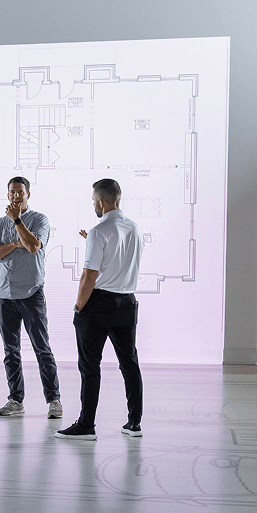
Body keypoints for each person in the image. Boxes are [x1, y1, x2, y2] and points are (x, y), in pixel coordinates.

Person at [56, 178, 144, 440]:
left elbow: (89, 276)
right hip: (127, 302)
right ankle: (134, 423)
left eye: (94, 200)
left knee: (90, 366)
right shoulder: (135, 229)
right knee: (129, 364)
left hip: (99, 304)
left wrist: (78, 307)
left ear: (101, 201)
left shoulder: (99, 230)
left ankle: (86, 425)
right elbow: (117, 262)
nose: (94, 205)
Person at [0, 176, 63, 419]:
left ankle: (54, 400)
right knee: (11, 351)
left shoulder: (39, 219)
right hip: (5, 295)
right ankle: (15, 400)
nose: (15, 196)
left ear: (28, 194)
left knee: (42, 349)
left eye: (20, 192)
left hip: (31, 294)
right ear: (7, 195)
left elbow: (32, 246)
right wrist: (14, 244)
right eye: (11, 192)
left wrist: (17, 222)